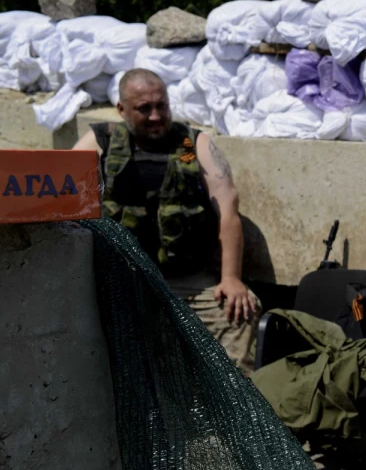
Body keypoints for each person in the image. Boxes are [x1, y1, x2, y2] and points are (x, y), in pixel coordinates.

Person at [73, 68, 260, 374]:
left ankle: (230, 410)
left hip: (187, 279)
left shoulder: (192, 145)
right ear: (122, 110)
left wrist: (231, 278)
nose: (156, 116)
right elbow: (62, 198)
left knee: (240, 313)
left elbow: (228, 210)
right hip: (124, 278)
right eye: (144, 109)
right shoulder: (101, 141)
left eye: (162, 106)